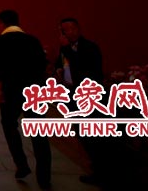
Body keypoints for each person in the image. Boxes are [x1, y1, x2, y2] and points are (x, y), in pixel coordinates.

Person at [0, 9, 52, 189]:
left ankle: (21, 164)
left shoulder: (0, 41)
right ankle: (44, 177)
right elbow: (43, 65)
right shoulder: (33, 40)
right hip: (34, 91)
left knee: (9, 125)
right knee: (39, 132)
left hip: (11, 91)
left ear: (2, 23)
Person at [54, 18, 109, 187]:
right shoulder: (65, 48)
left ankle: (102, 173)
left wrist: (65, 49)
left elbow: (84, 68)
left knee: (93, 137)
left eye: (71, 29)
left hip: (88, 97)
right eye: (64, 30)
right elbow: (60, 63)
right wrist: (58, 70)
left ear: (78, 29)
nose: (68, 33)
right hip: (72, 96)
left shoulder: (89, 47)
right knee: (82, 135)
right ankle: (95, 169)